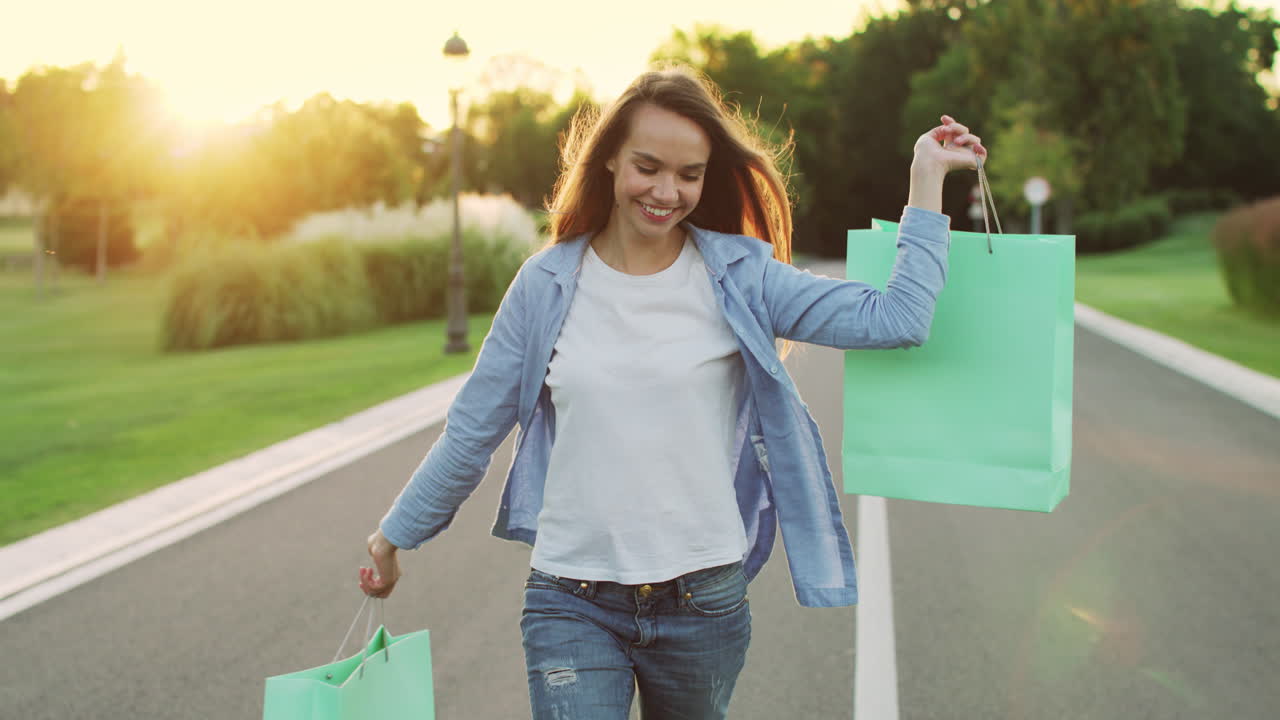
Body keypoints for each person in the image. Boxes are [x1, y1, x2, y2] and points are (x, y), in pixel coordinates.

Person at [357, 64, 986, 719]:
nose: (667, 192)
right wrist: (392, 535)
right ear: (608, 163)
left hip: (703, 603)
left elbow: (896, 320)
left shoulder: (740, 276)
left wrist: (926, 175)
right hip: (569, 599)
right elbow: (470, 433)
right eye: (648, 167)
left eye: (690, 175)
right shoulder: (545, 284)